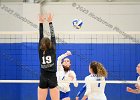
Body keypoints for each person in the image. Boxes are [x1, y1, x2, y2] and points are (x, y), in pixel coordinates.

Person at [38, 14, 59, 100]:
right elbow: (53, 36)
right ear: (50, 43)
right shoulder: (53, 48)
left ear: (42, 44)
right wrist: (50, 22)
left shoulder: (40, 49)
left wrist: (40, 22)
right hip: (52, 78)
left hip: (43, 77)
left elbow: (41, 35)